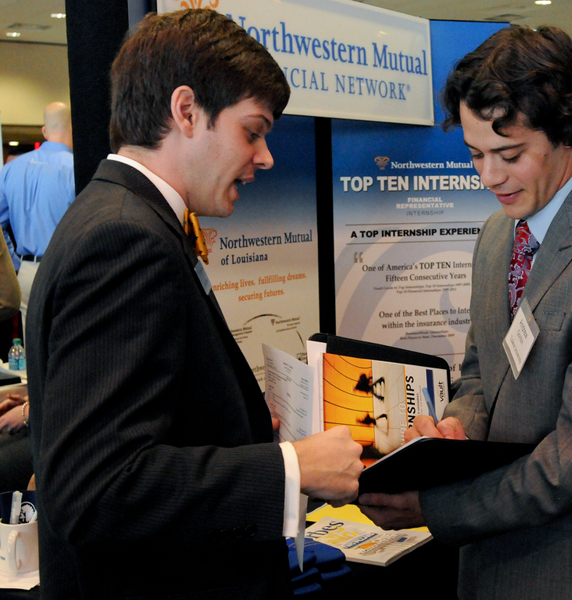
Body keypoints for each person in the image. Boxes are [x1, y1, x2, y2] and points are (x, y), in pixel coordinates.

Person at [27, 9, 363, 600]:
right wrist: (292, 471)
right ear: (186, 112)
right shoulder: (125, 239)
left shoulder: (129, 218)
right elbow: (97, 488)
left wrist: (240, 428)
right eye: (252, 131)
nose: (265, 157)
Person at [358, 25, 572, 599]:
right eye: (475, 155)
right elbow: (482, 372)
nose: (487, 177)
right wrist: (459, 429)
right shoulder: (497, 234)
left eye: (508, 155)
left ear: (568, 132)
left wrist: (435, 504)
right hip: (491, 561)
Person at [0, 101, 75, 330]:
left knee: (32, 356)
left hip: (26, 273)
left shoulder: (10, 169)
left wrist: (14, 264)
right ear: (73, 127)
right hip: (66, 272)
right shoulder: (77, 169)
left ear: (44, 131)